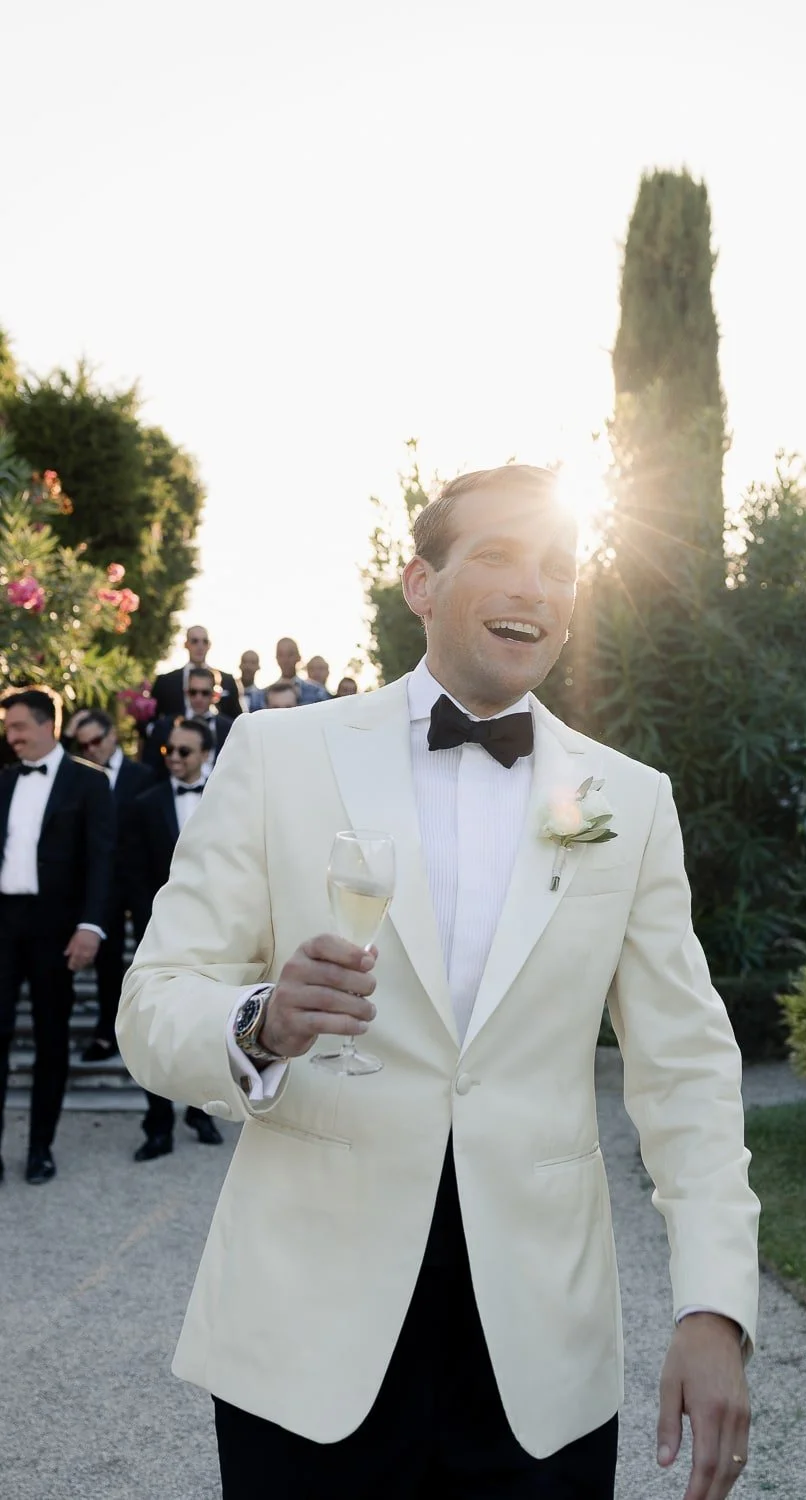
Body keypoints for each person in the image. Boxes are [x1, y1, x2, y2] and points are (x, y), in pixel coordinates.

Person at [118, 465, 758, 1499]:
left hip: (540, 1356)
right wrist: (263, 1022)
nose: (536, 588)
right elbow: (155, 1001)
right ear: (420, 583)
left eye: (560, 566)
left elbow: (686, 1068)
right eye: (499, 556)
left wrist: (715, 1306)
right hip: (303, 1344)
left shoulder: (622, 802)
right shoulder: (280, 756)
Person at [0, 688, 115, 1185]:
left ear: (49, 724)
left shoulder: (89, 783)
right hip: (3, 924)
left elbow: (102, 860)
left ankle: (40, 1150)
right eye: (8, 728)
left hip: (56, 929)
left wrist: (91, 926)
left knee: (51, 1041)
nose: (11, 736)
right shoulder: (3, 780)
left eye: (19, 727)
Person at [124, 720, 223, 1159]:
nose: (176, 759)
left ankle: (202, 1112)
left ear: (206, 754)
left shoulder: (228, 801)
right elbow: (134, 871)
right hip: (158, 929)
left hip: (218, 930)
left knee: (206, 1021)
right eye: (170, 751)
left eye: (185, 752)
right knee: (155, 1024)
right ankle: (157, 1125)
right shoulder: (144, 804)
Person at [73, 709, 153, 1061]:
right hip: (102, 886)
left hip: (142, 883)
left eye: (95, 741)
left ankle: (151, 1029)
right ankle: (107, 1030)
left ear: (112, 737)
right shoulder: (78, 778)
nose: (90, 749)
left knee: (149, 957)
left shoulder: (144, 775)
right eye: (83, 744)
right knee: (107, 961)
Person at [144, 667, 234, 777]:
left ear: (215, 695)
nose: (198, 698)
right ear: (186, 693)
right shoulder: (165, 726)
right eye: (193, 692)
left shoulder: (230, 728)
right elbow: (151, 768)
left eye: (205, 693)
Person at [150, 625, 241, 722]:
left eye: (204, 642)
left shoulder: (227, 680)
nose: (200, 646)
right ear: (186, 644)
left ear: (209, 645)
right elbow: (152, 717)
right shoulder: (165, 682)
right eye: (195, 641)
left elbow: (237, 719)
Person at [248, 638, 327, 710]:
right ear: (276, 658)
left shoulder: (317, 692)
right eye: (281, 655)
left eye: (290, 654)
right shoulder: (261, 695)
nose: (285, 660)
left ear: (298, 657)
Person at [236, 651, 261, 716]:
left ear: (258, 667)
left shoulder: (263, 697)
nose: (248, 666)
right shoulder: (229, 693)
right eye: (245, 662)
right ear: (240, 665)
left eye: (252, 662)